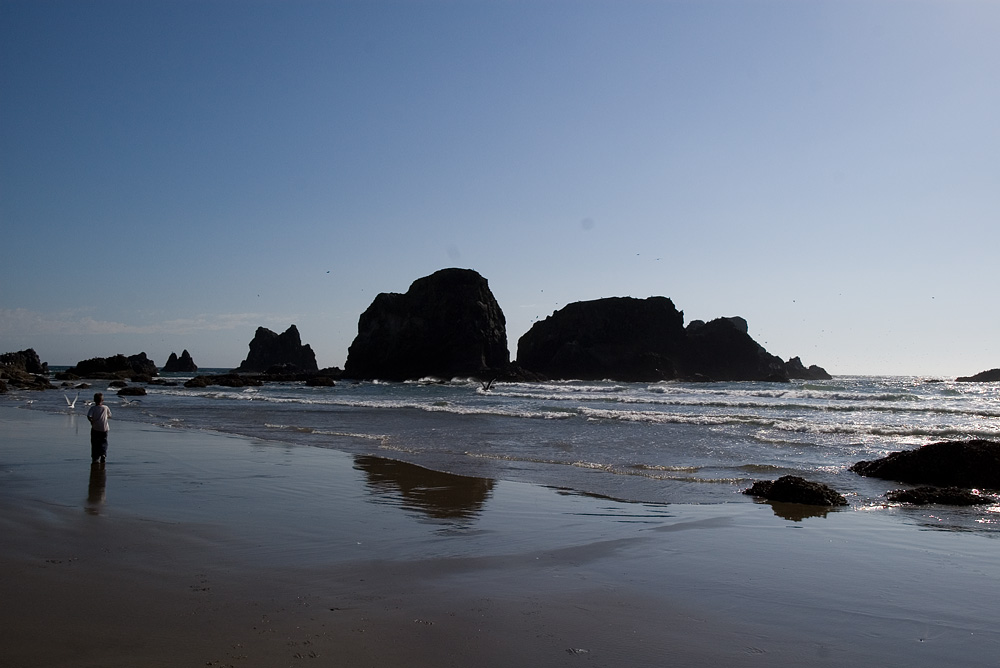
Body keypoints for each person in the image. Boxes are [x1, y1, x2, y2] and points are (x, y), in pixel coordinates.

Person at [86, 392, 112, 465]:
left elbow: (89, 416)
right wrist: (105, 418)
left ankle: (95, 457)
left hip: (95, 428)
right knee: (104, 442)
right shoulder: (105, 407)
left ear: (94, 400)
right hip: (105, 428)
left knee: (95, 443)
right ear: (102, 400)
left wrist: (91, 421)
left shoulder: (93, 408)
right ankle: (103, 454)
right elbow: (110, 415)